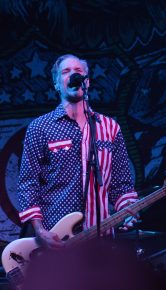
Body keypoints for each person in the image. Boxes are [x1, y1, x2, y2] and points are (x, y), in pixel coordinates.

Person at [17, 54, 139, 248]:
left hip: (101, 238)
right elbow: (28, 183)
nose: (73, 75)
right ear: (57, 84)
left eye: (78, 72)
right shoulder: (40, 127)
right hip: (56, 238)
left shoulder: (110, 127)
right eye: (66, 72)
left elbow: (121, 183)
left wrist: (127, 210)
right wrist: (40, 231)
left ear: (87, 81)